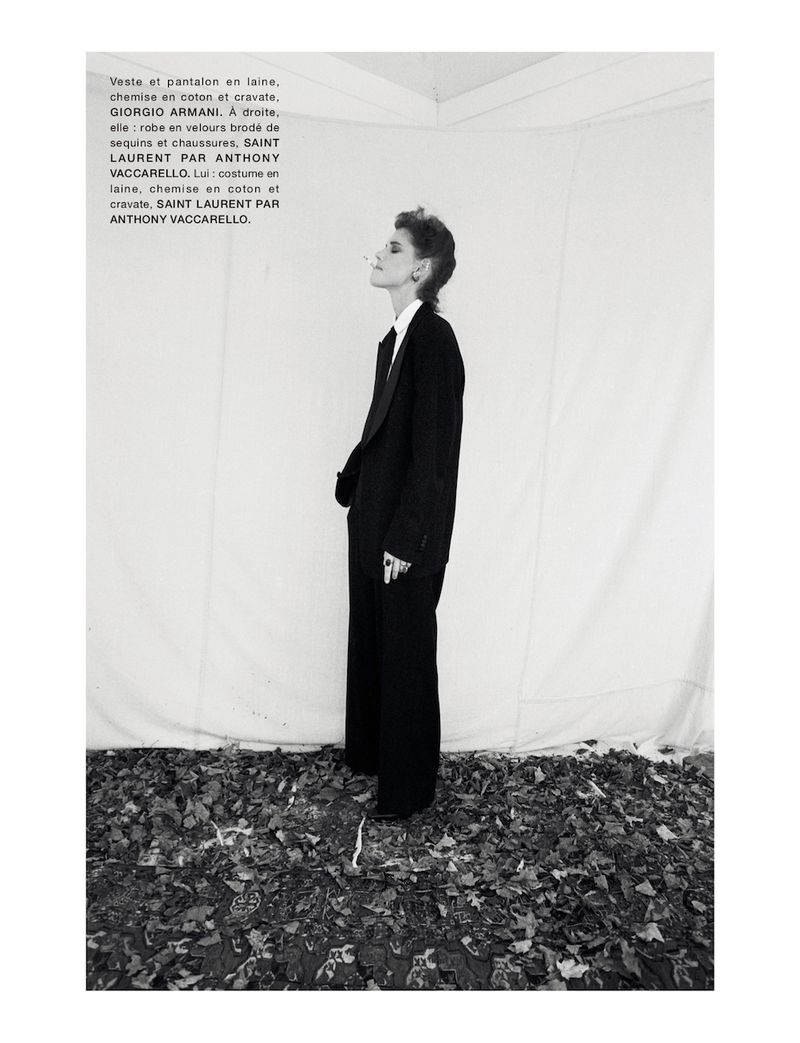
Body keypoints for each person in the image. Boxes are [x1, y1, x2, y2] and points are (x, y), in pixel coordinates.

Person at [335, 206, 465, 821]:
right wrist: (353, 482)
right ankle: (372, 759)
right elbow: (386, 428)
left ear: (422, 268)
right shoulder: (395, 338)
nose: (379, 254)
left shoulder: (434, 340)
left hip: (405, 534)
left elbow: (434, 450)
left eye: (394, 248)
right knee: (372, 642)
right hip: (374, 518)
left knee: (407, 654)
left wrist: (408, 537)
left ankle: (407, 791)